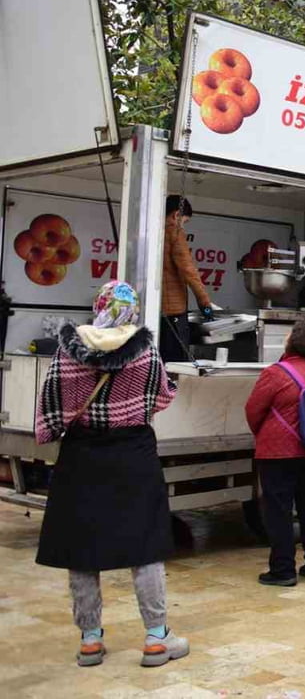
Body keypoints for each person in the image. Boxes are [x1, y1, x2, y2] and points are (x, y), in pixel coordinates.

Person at [35, 281, 188, 667]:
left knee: (81, 549)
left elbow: (50, 405)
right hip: (133, 455)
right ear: (132, 311)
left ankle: (89, 639)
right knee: (146, 545)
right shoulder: (145, 354)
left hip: (82, 455)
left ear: (98, 306)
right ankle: (156, 637)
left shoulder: (68, 354)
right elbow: (163, 396)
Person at [245, 321, 305, 587]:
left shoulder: (275, 373)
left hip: (279, 454)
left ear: (292, 342)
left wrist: (265, 435)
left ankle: (283, 570)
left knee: (279, 511)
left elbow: (253, 410)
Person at [160, 195, 217, 363]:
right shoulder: (175, 232)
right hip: (174, 313)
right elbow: (188, 271)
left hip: (155, 311)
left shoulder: (151, 232)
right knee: (176, 364)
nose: (183, 226)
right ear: (176, 215)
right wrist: (205, 305)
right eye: (184, 221)